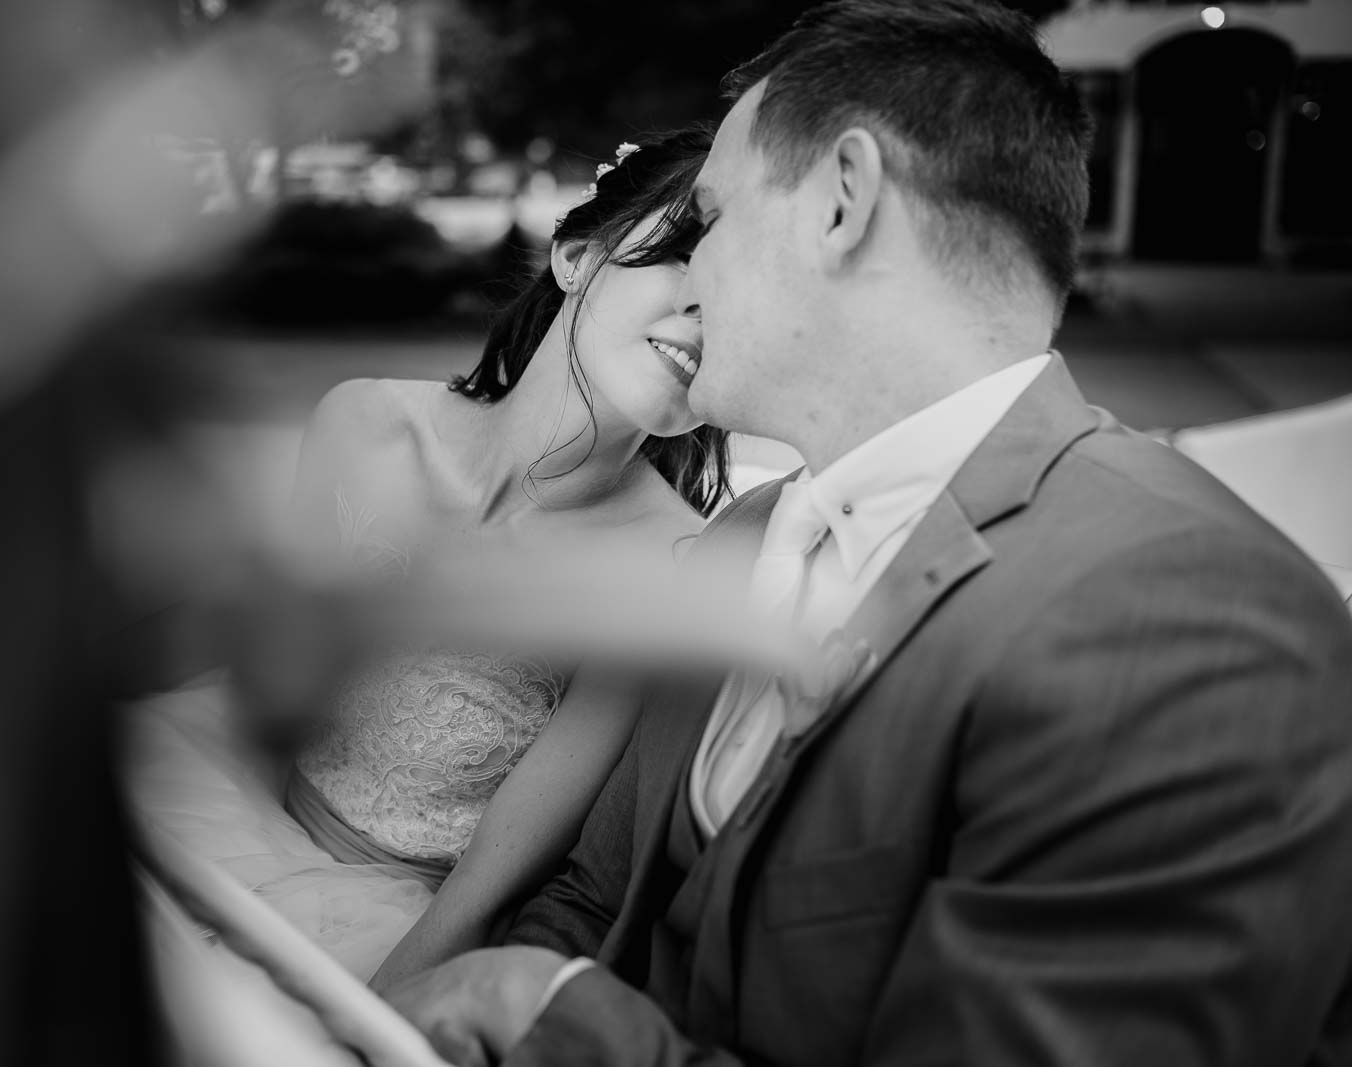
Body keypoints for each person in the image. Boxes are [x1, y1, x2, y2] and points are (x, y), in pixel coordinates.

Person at [383, 3, 1352, 1064]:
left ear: (843, 201)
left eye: (709, 218)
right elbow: (593, 895)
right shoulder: (737, 542)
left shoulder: (1188, 627)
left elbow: (556, 993)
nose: (688, 277)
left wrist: (550, 1016)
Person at [128, 127, 732, 987]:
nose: (706, 312)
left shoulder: (668, 565)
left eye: (737, 294)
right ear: (573, 255)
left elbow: (487, 888)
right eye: (680, 254)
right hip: (214, 807)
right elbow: (264, 691)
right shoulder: (367, 424)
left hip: (400, 927)